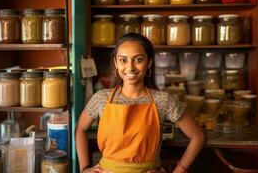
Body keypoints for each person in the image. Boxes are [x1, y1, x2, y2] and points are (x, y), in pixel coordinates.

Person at [76, 33, 204, 173]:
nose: (130, 67)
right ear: (116, 64)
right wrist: (84, 168)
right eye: (123, 60)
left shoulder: (163, 100)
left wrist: (179, 170)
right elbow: (80, 129)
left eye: (138, 59)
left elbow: (197, 136)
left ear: (149, 62)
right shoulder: (101, 98)